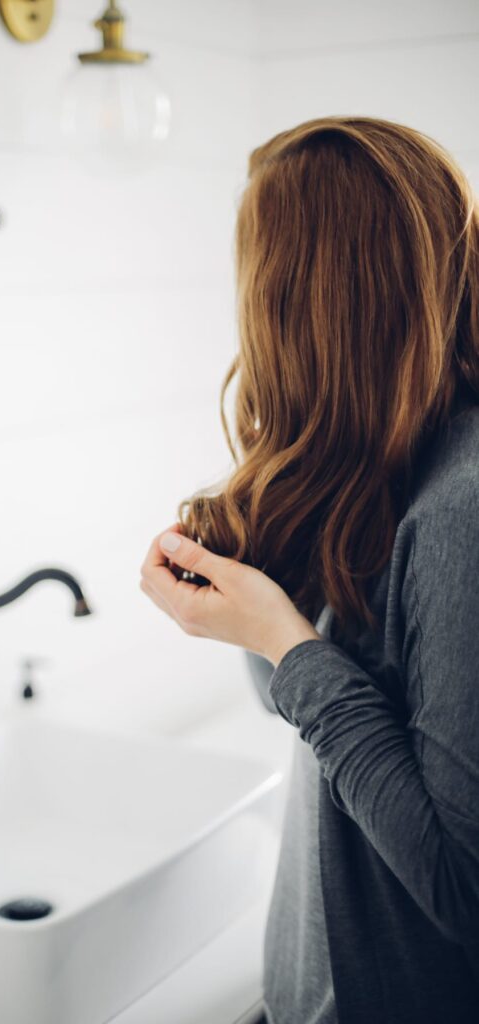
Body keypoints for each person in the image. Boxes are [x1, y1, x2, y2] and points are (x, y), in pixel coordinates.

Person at [139, 116, 479, 1023]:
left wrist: (282, 638)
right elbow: (292, 709)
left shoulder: (462, 512)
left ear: (307, 304)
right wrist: (258, 570)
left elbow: (463, 889)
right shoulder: (390, 456)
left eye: (257, 287)